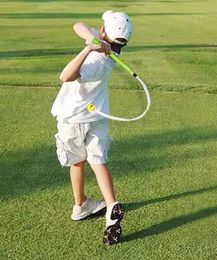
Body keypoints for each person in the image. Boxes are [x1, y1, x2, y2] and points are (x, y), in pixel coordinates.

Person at [51, 10, 133, 245]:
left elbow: (65, 76)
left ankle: (80, 205)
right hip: (96, 115)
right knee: (97, 161)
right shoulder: (108, 45)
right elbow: (78, 25)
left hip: (74, 118)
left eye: (101, 28)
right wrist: (93, 40)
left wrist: (89, 49)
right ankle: (108, 206)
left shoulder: (97, 62)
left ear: (105, 30)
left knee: (77, 162)